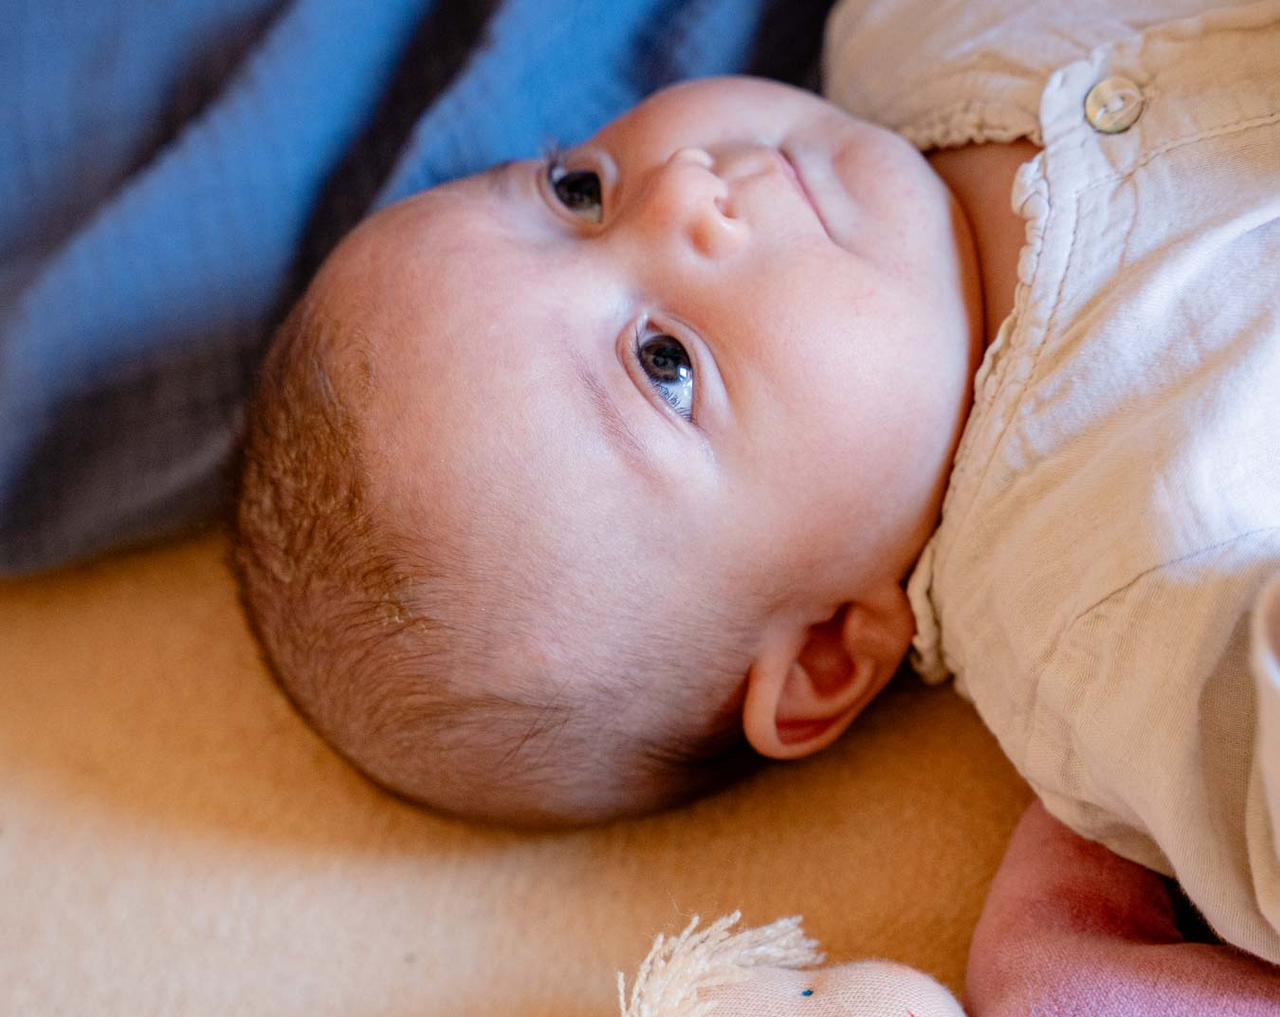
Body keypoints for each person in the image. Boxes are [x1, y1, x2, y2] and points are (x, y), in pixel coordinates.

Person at [231, 0, 1280, 963]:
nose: (680, 191)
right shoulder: (1100, 608)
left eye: (578, 192)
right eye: (665, 365)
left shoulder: (901, 29)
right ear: (826, 654)